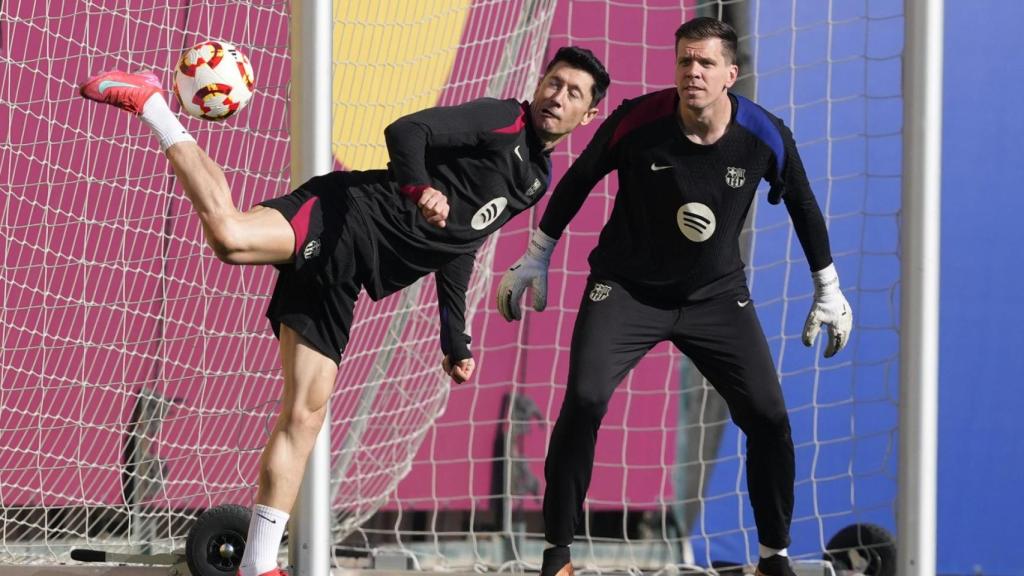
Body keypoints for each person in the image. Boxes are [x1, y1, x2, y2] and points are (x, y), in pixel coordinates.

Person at [79, 46, 610, 576]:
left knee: (305, 414)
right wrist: (420, 187)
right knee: (232, 238)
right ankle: (154, 104)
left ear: (587, 116)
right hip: (346, 215)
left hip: (348, 276)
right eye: (553, 83)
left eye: (572, 93)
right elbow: (407, 131)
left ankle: (260, 566)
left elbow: (461, 245)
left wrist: (456, 341)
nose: (556, 97)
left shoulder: (537, 178)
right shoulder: (501, 118)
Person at [496, 18, 851, 576]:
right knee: (585, 400)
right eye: (685, 61)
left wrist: (828, 289)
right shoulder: (639, 119)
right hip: (626, 290)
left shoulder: (764, 134)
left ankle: (772, 558)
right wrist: (537, 254)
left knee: (769, 416)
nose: (693, 72)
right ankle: (557, 556)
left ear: (730, 74)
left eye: (707, 63)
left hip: (715, 297)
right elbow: (579, 178)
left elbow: (804, 207)